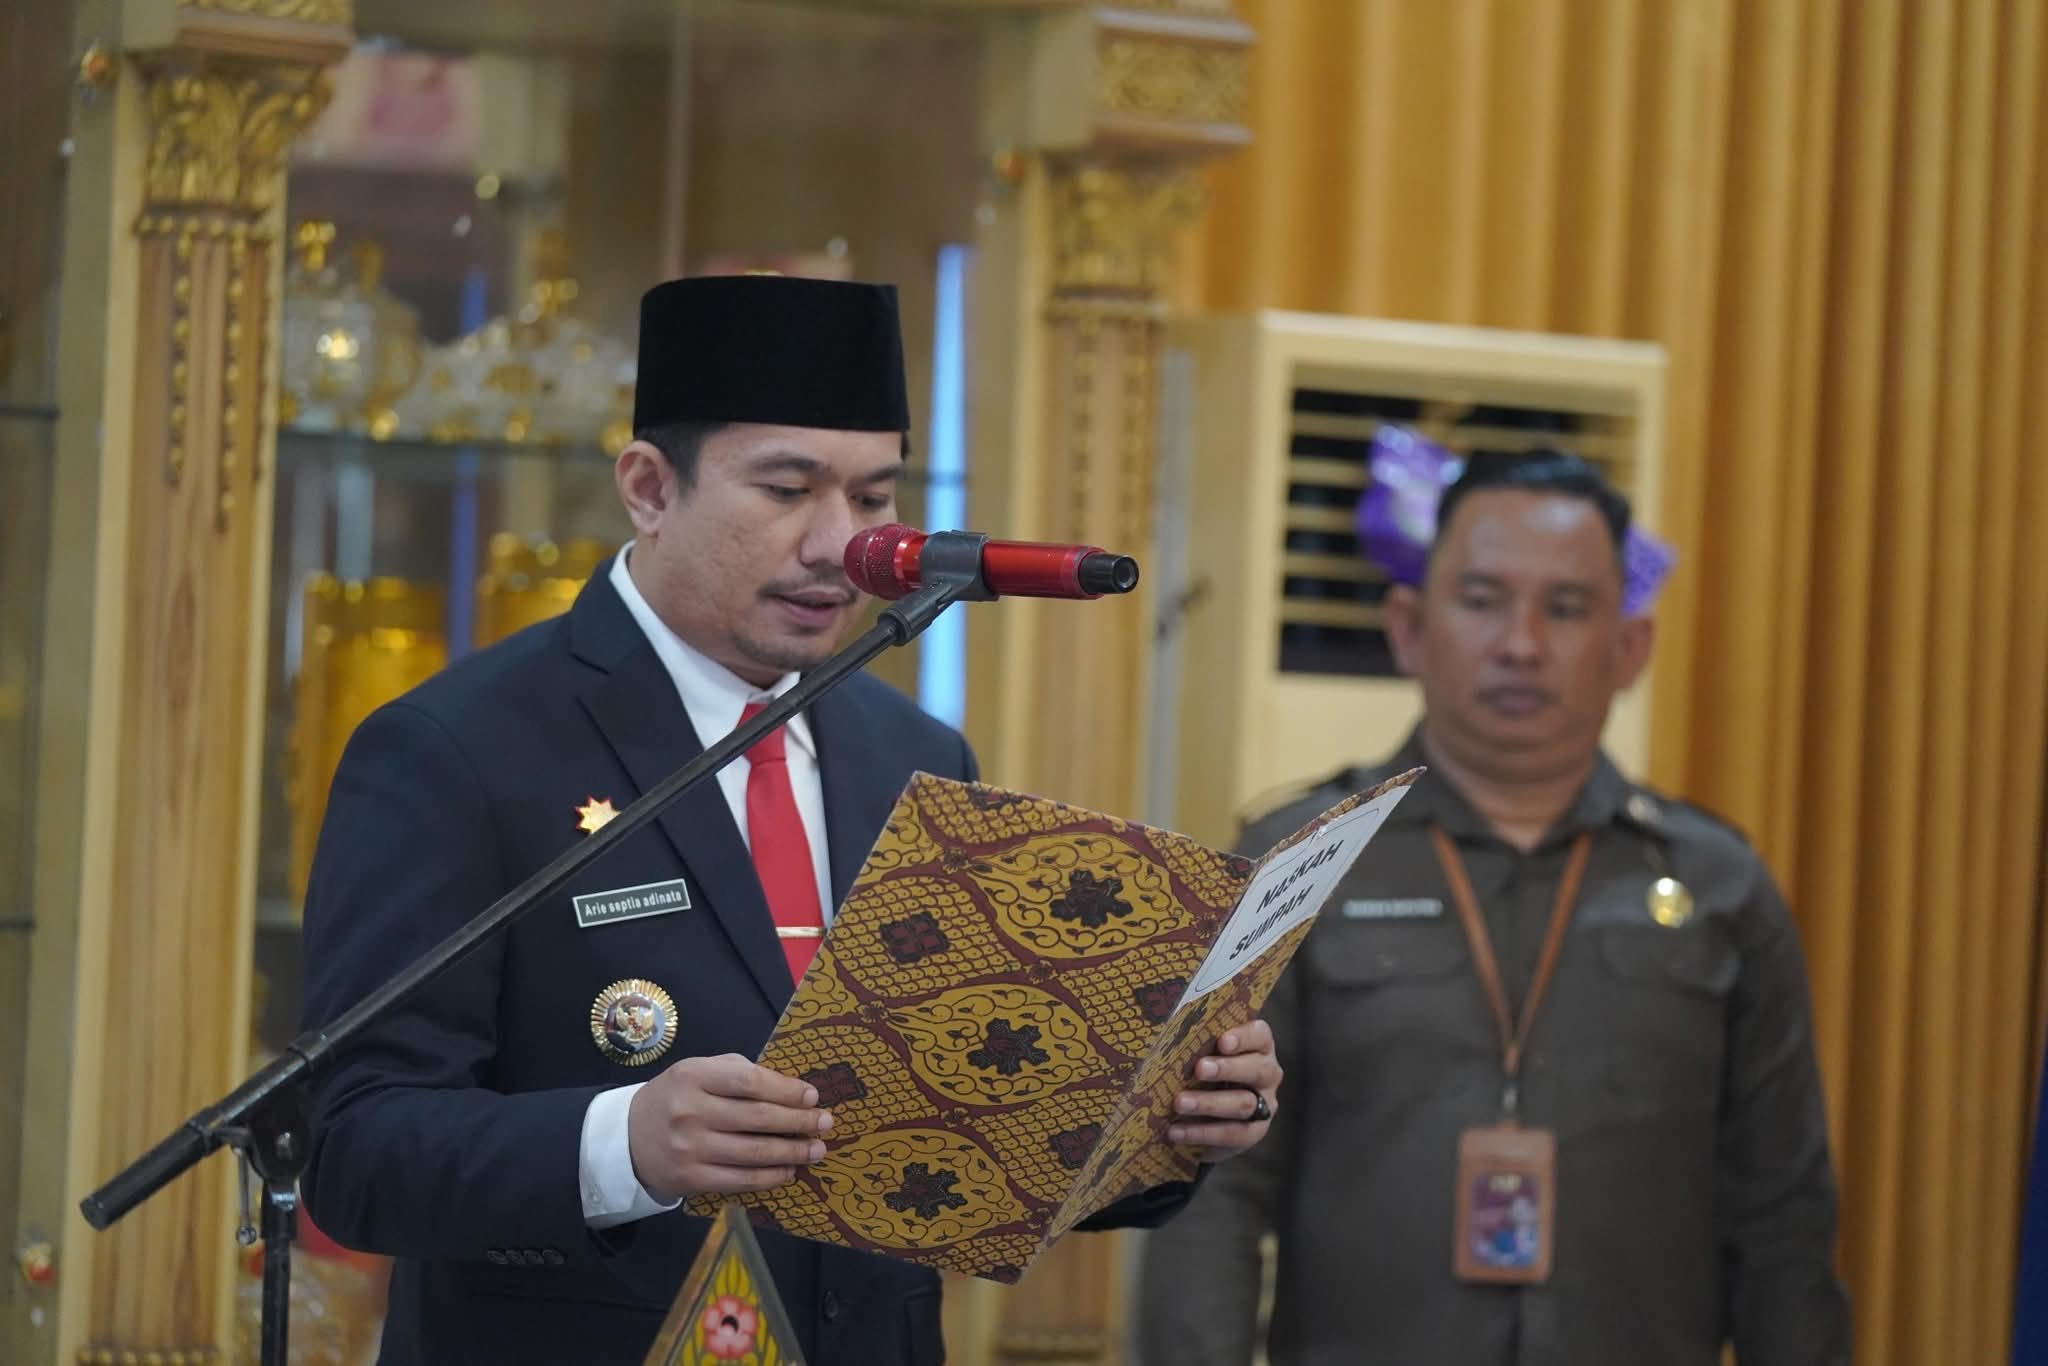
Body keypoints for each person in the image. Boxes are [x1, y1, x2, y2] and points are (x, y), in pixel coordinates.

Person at [298, 273, 1281, 1366]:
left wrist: (1162, 1119)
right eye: (784, 490)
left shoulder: (910, 751)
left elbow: (960, 1123)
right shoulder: (460, 747)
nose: (839, 546)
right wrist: (623, 1142)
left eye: (872, 498)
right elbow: (352, 1144)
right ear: (648, 489)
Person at [1135, 443, 1850, 1366]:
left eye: (1567, 608)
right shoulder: (1298, 868)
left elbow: (1783, 1216)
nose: (1522, 644)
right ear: (1409, 628)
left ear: (1630, 648)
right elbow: (1212, 1189)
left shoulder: (1721, 885)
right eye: (1482, 600)